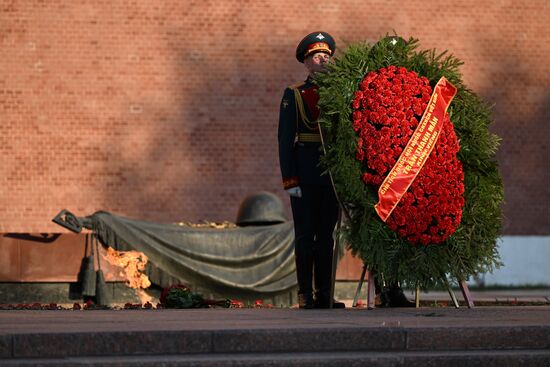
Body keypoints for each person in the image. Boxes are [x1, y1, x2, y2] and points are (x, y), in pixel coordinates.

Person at [278, 31, 344, 309]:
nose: (323, 59)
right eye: (317, 56)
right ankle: (305, 293)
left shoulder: (340, 94)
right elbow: (284, 140)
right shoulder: (294, 94)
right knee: (305, 235)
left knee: (327, 236)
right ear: (306, 61)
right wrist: (290, 179)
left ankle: (325, 294)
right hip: (304, 173)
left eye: (327, 55)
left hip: (331, 176)